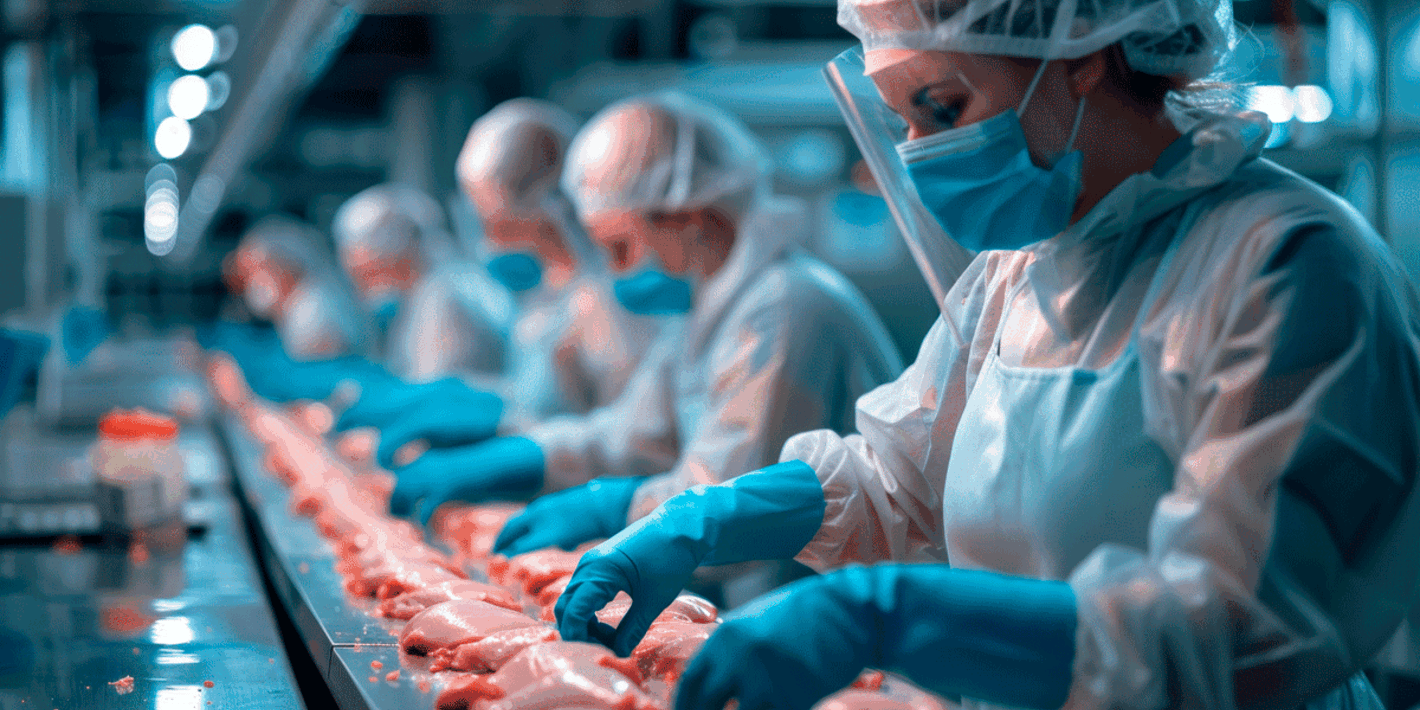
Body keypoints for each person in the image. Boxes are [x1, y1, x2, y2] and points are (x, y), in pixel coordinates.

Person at [550, 1, 1420, 709]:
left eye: (942, 107)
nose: (924, 154)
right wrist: (704, 521)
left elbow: (1236, 629)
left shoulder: (1284, 261)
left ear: (1084, 49)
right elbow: (901, 476)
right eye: (904, 121)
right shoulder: (1018, 270)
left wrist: (892, 616)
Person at [389, 94, 904, 588]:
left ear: (690, 215)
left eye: (620, 247)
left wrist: (608, 506)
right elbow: (629, 435)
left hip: (826, 621)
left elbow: (727, 509)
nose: (613, 273)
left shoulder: (786, 309)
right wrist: (529, 456)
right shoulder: (707, 310)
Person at [335, 100, 670, 469]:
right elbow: (540, 401)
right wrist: (475, 401)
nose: (489, 239)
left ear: (550, 206)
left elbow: (636, 440)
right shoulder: (545, 295)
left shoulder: (603, 304)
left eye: (500, 222)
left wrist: (514, 443)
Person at [332, 182, 515, 383]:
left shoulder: (443, 299)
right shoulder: (420, 296)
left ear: (395, 255)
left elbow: (440, 390)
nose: (363, 286)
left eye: (366, 273)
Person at [223, 214, 372, 361]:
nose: (253, 283)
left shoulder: (315, 311)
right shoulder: (295, 310)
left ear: (287, 264)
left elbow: (329, 373)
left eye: (257, 271)